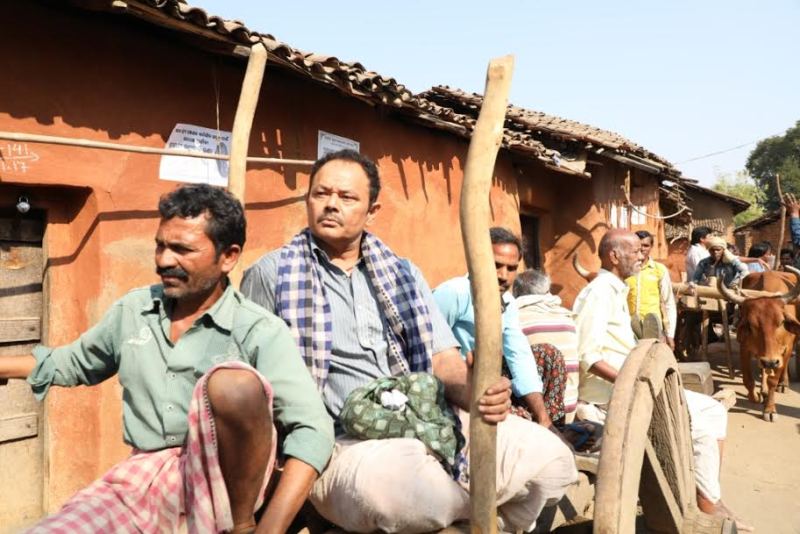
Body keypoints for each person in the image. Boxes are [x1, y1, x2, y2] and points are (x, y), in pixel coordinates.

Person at [241, 149, 577, 533]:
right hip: (342, 443)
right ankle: (472, 506)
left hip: (429, 421)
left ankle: (462, 501)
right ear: (308, 199)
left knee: (552, 459)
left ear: (372, 211)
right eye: (321, 194)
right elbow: (253, 383)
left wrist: (478, 391)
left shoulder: (402, 273)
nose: (331, 205)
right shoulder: (271, 275)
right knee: (405, 493)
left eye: (347, 197)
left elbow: (443, 360)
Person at [0, 184, 334, 533]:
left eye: (182, 249)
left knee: (232, 384)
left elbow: (313, 429)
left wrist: (271, 528)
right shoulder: (134, 309)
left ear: (229, 257)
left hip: (225, 490)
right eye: (160, 245)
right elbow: (71, 362)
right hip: (143, 479)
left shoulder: (259, 329)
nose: (163, 260)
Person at [573, 229, 751, 531]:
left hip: (629, 386)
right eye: (634, 251)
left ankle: (706, 495)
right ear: (614, 256)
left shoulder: (615, 289)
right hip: (613, 394)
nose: (641, 256)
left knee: (708, 411)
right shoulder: (600, 291)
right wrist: (637, 384)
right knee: (711, 411)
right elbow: (587, 355)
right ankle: (707, 501)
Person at [433, 227, 555, 428]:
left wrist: (544, 418)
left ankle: (547, 424)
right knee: (511, 420)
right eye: (496, 265)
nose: (503, 275)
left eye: (511, 268)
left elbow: (519, 354)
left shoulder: (507, 301)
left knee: (548, 355)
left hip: (488, 381)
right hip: (453, 387)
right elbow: (428, 348)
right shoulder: (455, 293)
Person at [511, 269, 580, 425]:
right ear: (547, 291)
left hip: (537, 415)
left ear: (516, 293)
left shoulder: (513, 318)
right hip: (569, 408)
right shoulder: (567, 318)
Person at [625, 230, 677, 349]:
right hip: (628, 329)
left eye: (646, 245)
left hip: (653, 329)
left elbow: (668, 302)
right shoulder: (626, 270)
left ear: (651, 247)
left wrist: (670, 334)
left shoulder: (659, 270)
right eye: (638, 246)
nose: (642, 249)